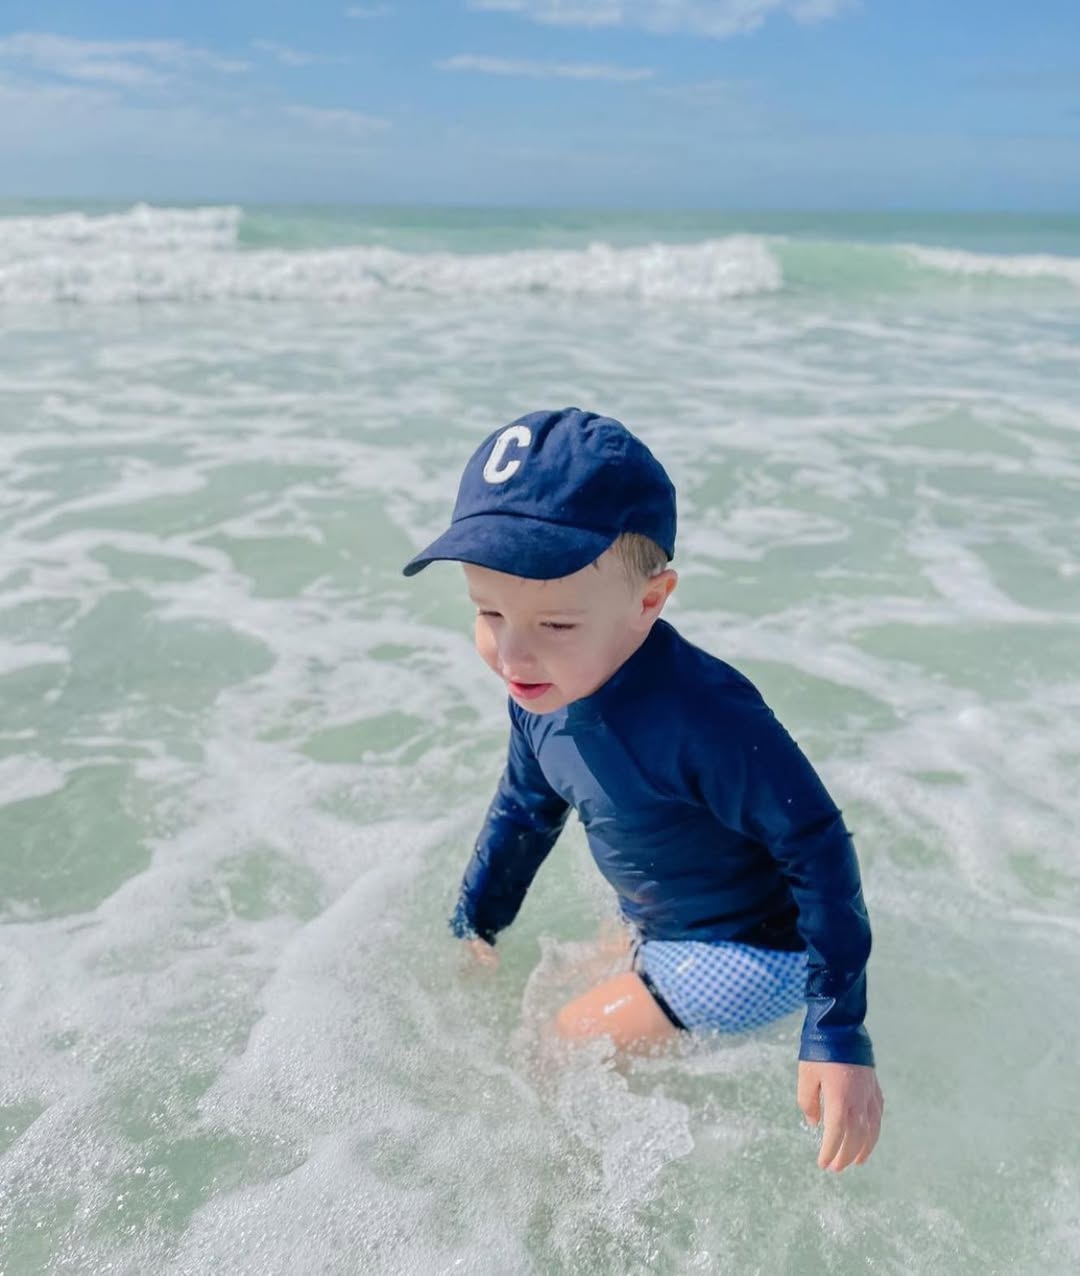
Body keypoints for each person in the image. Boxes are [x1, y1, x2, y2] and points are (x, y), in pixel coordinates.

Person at [402, 407, 883, 1173]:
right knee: (562, 980)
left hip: (759, 951)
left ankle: (563, 1203)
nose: (513, 652)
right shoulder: (539, 693)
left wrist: (837, 1033)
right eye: (488, 612)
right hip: (667, 928)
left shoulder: (705, 718)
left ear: (650, 602)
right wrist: (478, 921)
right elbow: (526, 807)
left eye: (555, 624)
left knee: (559, 1045)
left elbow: (817, 847)